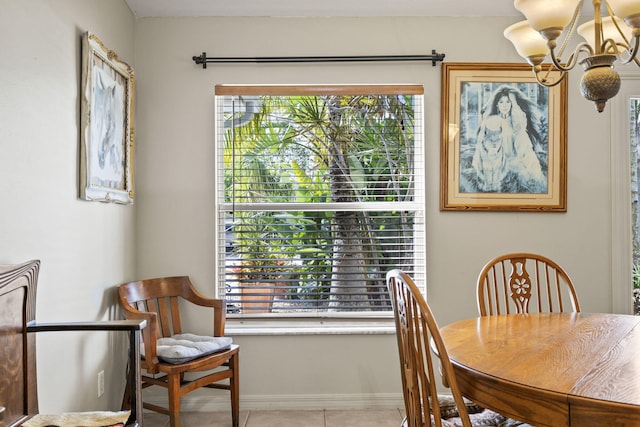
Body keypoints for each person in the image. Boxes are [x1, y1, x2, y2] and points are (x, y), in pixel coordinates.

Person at [475, 85, 546, 193]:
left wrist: (513, 99)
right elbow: (482, 143)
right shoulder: (491, 121)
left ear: (512, 104)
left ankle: (535, 175)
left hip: (516, 160)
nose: (505, 105)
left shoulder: (516, 121)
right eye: (501, 102)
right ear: (497, 105)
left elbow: (521, 128)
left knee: (522, 136)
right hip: (496, 161)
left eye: (508, 102)